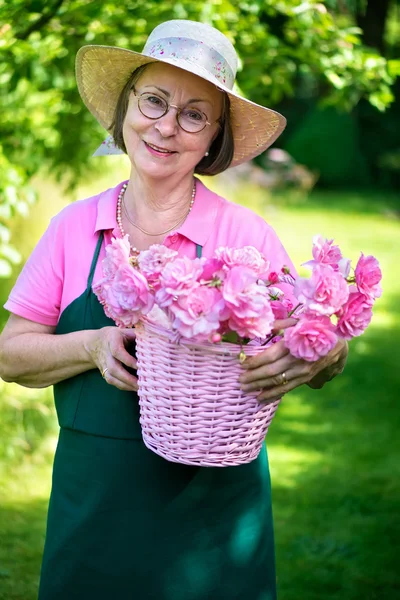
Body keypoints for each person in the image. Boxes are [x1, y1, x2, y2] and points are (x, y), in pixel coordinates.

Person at [0, 19, 348, 600]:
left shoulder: (243, 233)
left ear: (213, 137)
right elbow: (11, 354)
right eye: (154, 101)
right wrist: (89, 345)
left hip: (212, 528)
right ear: (125, 110)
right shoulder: (72, 229)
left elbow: (317, 340)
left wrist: (319, 358)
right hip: (94, 517)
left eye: (193, 114)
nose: (165, 126)